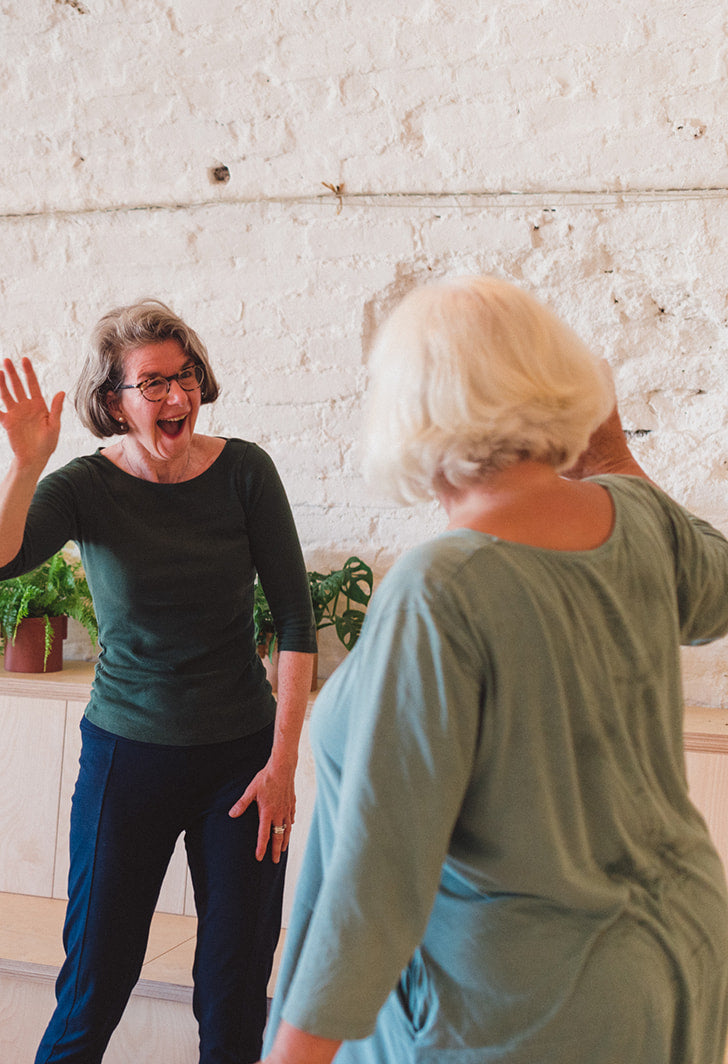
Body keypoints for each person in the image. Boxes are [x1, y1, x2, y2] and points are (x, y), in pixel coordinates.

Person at [263, 276, 728, 1064]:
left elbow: (379, 880)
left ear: (413, 406)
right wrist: (611, 456)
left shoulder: (441, 585)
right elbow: (716, 594)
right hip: (674, 964)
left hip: (513, 1005)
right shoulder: (639, 521)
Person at [0, 298, 317, 1064]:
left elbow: (295, 622)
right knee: (95, 985)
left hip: (244, 766)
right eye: (153, 383)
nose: (176, 397)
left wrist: (283, 765)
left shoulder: (245, 472)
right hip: (128, 761)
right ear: (113, 402)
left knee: (234, 997)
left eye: (185, 376)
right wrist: (26, 463)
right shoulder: (86, 486)